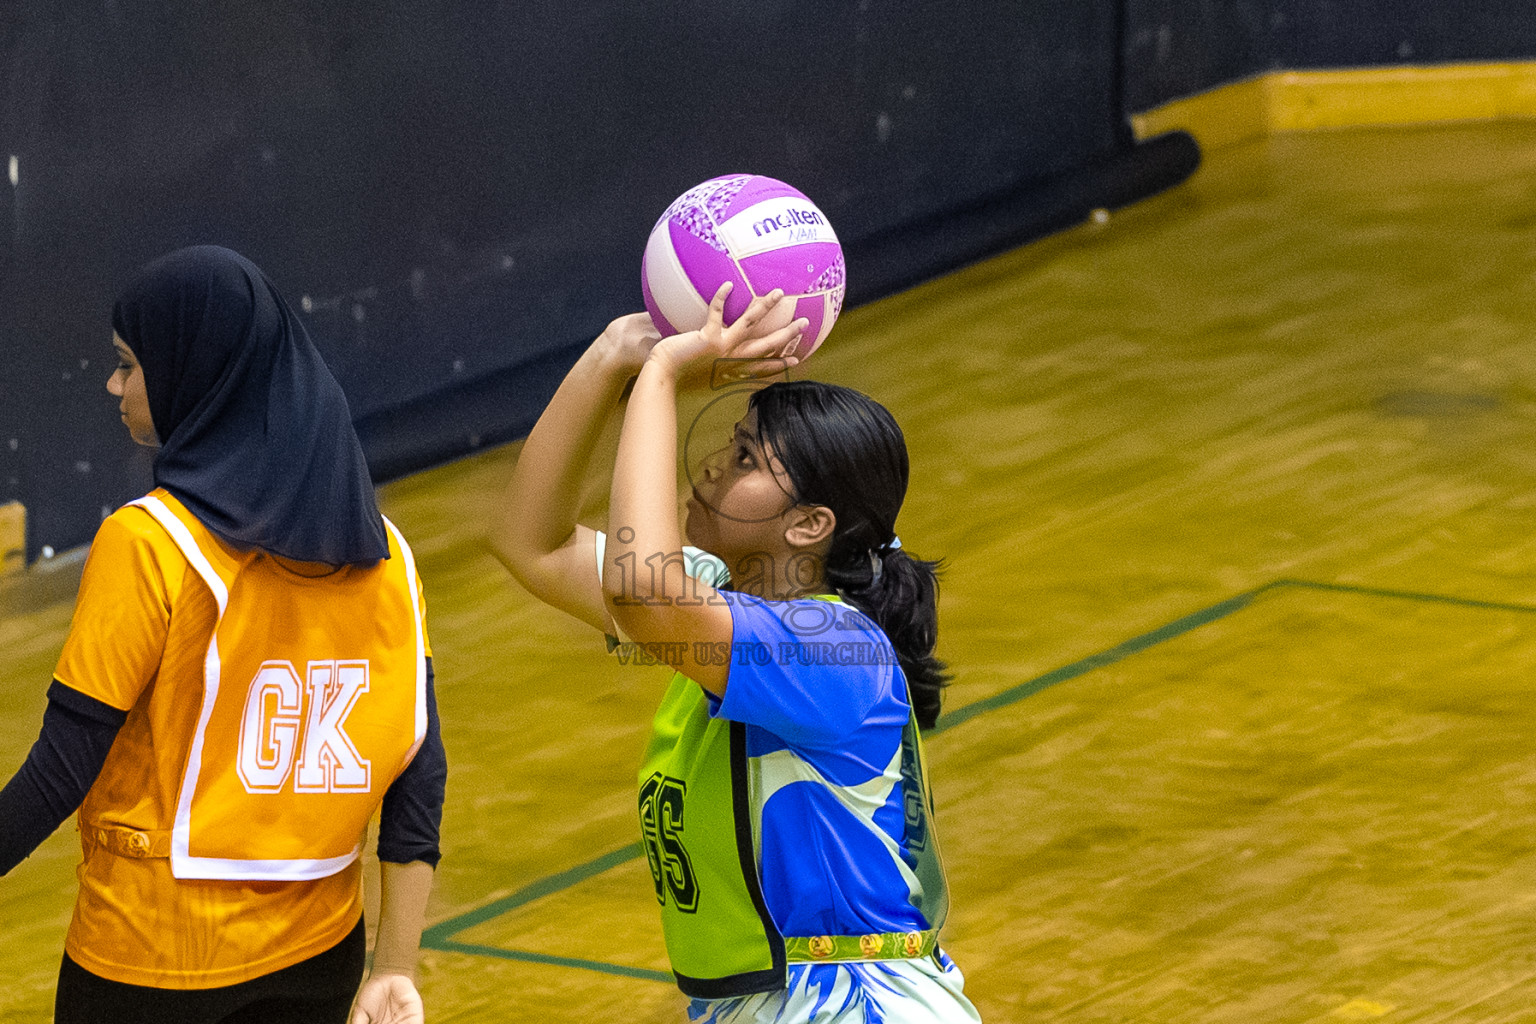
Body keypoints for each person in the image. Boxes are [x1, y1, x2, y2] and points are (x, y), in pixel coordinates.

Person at [492, 284, 981, 1023]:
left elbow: (642, 589)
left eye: (747, 457)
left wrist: (659, 379)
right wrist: (612, 357)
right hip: (760, 1002)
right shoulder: (725, 602)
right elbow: (532, 542)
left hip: (857, 1004)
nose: (716, 462)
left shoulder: (834, 650)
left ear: (810, 524)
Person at [0, 246, 446, 1024]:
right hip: (319, 963)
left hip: (149, 965)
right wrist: (395, 966)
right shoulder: (389, 554)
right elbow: (419, 770)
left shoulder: (149, 544)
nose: (113, 385)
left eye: (127, 364)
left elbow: (60, 771)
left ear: (193, 376)